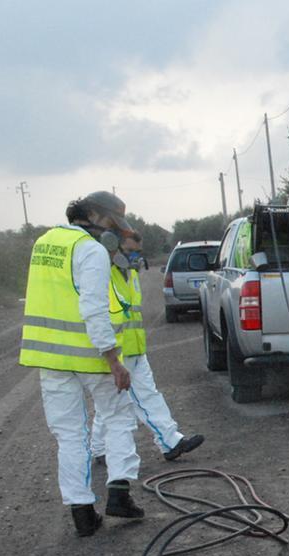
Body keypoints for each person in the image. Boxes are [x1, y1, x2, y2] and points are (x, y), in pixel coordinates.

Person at [19, 191, 146, 536]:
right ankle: (119, 493)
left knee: (70, 437)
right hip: (92, 357)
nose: (114, 232)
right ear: (91, 214)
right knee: (118, 419)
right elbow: (93, 308)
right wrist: (113, 359)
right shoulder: (91, 250)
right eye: (110, 223)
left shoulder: (44, 243)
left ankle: (82, 514)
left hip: (52, 360)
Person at [90, 231, 204, 464]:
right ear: (115, 249)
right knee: (143, 397)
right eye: (130, 251)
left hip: (132, 347)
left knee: (111, 401)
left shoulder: (128, 274)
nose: (135, 257)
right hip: (118, 350)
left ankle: (100, 449)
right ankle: (170, 442)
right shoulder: (103, 273)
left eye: (137, 253)